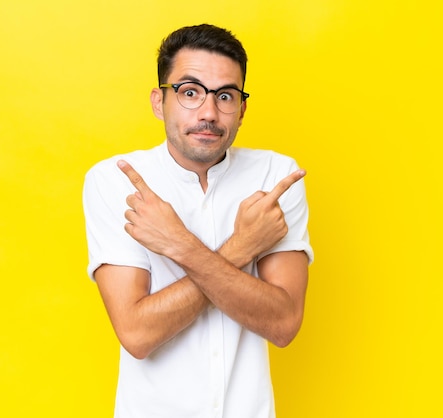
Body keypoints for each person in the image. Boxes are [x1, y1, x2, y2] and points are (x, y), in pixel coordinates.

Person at [83, 23, 314, 418]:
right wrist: (242, 248)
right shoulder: (113, 180)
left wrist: (180, 245)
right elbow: (138, 334)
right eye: (190, 92)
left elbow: (283, 324)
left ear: (241, 109)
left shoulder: (276, 176)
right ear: (159, 102)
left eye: (225, 96)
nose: (209, 113)